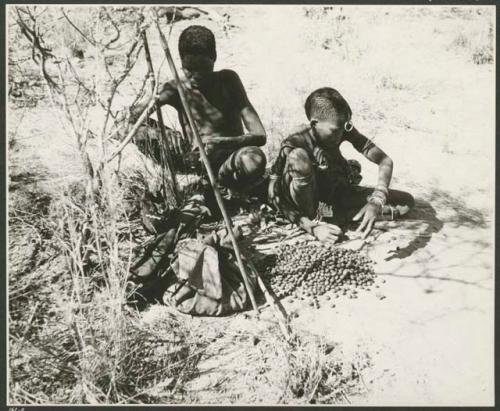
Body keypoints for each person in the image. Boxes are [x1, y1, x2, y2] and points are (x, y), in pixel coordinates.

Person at [129, 25, 267, 198]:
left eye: (203, 68)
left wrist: (221, 142)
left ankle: (224, 188)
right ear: (180, 62)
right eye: (189, 69)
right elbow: (129, 118)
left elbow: (260, 136)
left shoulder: (228, 80)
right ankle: (197, 183)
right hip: (194, 164)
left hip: (231, 159)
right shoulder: (175, 88)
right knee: (135, 132)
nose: (196, 76)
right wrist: (161, 133)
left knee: (253, 160)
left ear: (214, 58)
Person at [268, 87, 414, 242]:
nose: (340, 135)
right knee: (298, 157)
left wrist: (377, 200)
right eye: (335, 131)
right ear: (314, 123)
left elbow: (385, 161)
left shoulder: (343, 128)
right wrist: (311, 227)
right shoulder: (294, 142)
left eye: (345, 127)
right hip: (309, 203)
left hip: (336, 195)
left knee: (406, 201)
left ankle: (340, 216)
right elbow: (273, 195)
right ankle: (326, 218)